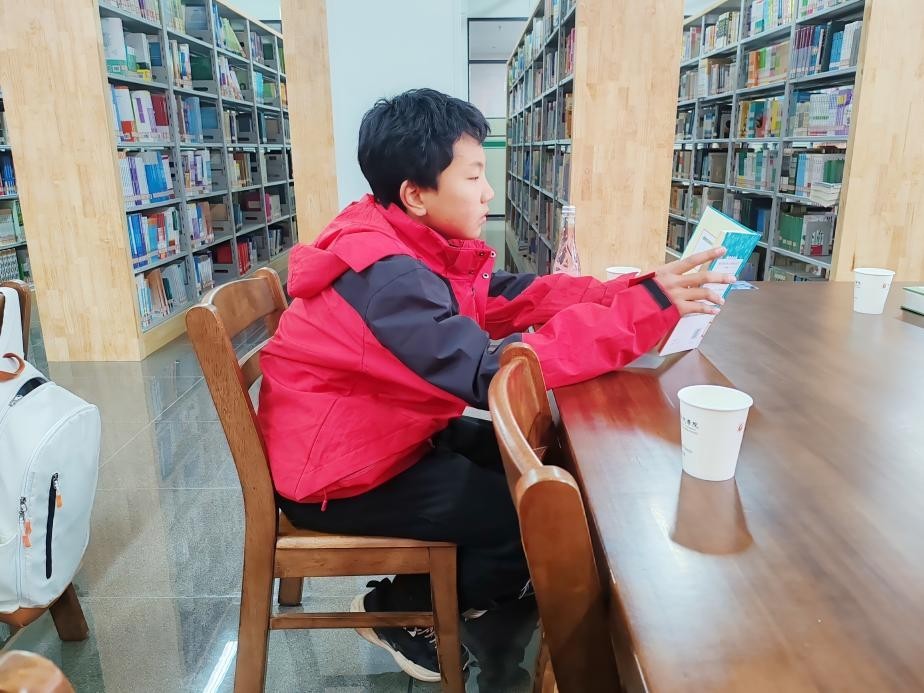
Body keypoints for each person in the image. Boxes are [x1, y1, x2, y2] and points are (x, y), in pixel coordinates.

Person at [258, 88, 733, 682]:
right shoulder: (388, 278)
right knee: (528, 518)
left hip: (377, 431)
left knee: (543, 462)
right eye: (473, 176)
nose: (488, 191)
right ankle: (397, 612)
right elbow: (495, 373)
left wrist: (629, 291)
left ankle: (479, 591)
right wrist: (644, 312)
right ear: (415, 194)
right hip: (341, 472)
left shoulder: (399, 240)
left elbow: (503, 297)